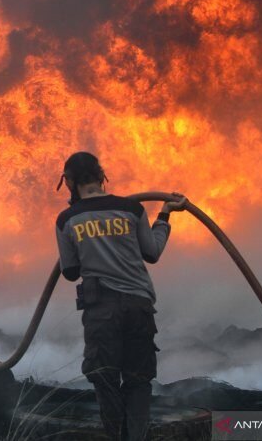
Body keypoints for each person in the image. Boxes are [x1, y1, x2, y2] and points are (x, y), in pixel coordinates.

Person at [54, 152, 186, 441]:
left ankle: (115, 436)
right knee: (138, 381)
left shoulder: (66, 220)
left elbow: (70, 272)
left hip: (101, 311)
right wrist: (164, 215)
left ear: (70, 182)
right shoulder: (132, 209)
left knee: (105, 377)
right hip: (139, 307)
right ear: (102, 176)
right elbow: (152, 252)